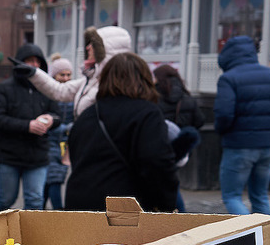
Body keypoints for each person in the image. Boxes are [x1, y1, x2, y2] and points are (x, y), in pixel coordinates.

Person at [65, 52, 178, 212]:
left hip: (79, 205)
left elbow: (76, 156)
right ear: (143, 79)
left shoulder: (88, 114)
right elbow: (157, 162)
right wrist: (167, 205)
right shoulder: (147, 113)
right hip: (124, 209)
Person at [214, 35, 270, 215]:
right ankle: (267, 240)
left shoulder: (228, 79)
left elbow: (224, 114)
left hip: (238, 145)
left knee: (231, 196)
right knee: (260, 195)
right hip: (268, 145)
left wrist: (222, 131)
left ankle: (248, 237)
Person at [0, 44, 60, 212]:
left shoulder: (47, 88)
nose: (34, 64)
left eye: (37, 61)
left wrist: (51, 119)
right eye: (29, 60)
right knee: (6, 199)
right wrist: (27, 126)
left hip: (37, 156)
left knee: (35, 200)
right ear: (20, 62)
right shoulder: (4, 89)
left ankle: (31, 238)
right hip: (9, 156)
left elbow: (57, 115)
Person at [15, 26, 131, 120]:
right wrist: (34, 73)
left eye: (94, 45)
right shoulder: (91, 80)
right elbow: (60, 91)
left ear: (106, 51)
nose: (88, 48)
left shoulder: (114, 85)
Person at [153, 64, 204, 212]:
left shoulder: (154, 97)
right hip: (182, 146)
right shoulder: (186, 97)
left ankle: (177, 213)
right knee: (171, 180)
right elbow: (199, 121)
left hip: (161, 145)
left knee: (167, 181)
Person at [43, 55, 74, 209]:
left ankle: (39, 213)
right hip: (49, 143)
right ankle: (58, 213)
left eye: (69, 74)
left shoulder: (73, 95)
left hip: (65, 145)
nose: (66, 78)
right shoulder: (48, 95)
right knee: (54, 180)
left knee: (52, 180)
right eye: (62, 74)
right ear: (54, 75)